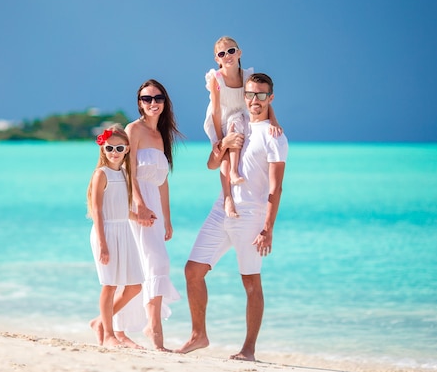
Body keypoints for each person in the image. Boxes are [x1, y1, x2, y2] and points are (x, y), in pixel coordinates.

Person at [178, 73, 288, 361]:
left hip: (251, 216)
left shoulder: (275, 136)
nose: (255, 100)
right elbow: (213, 164)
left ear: (270, 98)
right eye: (250, 94)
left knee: (251, 283)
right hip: (222, 208)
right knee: (192, 271)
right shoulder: (235, 123)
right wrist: (224, 143)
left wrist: (268, 228)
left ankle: (248, 349)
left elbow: (276, 188)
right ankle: (198, 334)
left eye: (262, 95)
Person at [117, 79, 183, 351]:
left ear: (165, 102)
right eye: (146, 99)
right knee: (156, 264)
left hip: (154, 208)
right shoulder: (134, 129)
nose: (152, 103)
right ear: (139, 103)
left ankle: (113, 326)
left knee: (144, 268)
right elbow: (129, 170)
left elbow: (163, 181)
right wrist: (139, 205)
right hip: (138, 206)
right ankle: (153, 329)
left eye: (158, 98)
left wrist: (167, 218)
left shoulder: (161, 135)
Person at [203, 36, 281, 219]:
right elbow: (215, 110)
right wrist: (220, 139)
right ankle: (228, 197)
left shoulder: (246, 76)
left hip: (241, 116)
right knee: (225, 150)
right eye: (222, 54)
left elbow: (263, 98)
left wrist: (274, 121)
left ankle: (238, 180)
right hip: (220, 119)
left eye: (231, 51)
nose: (227, 56)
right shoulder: (216, 78)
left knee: (236, 126)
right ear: (217, 59)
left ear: (239, 53)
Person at [87, 124, 145, 348]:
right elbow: (98, 211)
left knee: (134, 286)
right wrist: (102, 243)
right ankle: (109, 333)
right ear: (103, 149)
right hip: (106, 232)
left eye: (119, 148)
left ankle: (100, 321)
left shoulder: (123, 173)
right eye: (110, 148)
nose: (114, 152)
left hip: (125, 231)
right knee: (109, 285)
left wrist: (137, 217)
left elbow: (119, 206)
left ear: (127, 150)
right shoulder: (101, 174)